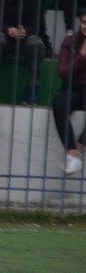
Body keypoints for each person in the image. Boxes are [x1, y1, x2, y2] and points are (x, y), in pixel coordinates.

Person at [52, 13, 86, 175]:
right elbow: (64, 73)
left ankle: (80, 145)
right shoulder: (70, 41)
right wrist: (82, 56)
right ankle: (72, 152)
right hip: (72, 87)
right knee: (58, 104)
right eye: (84, 22)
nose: (85, 26)